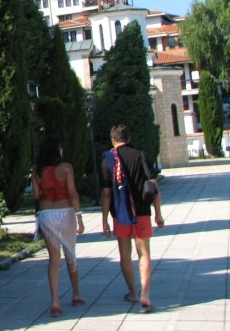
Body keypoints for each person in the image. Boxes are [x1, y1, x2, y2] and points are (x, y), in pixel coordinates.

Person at [100, 124, 165, 312]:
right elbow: (154, 187)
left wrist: (104, 219)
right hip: (142, 212)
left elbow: (106, 193)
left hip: (120, 214)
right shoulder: (141, 155)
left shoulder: (108, 160)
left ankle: (133, 293)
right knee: (144, 253)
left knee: (125, 254)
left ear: (113, 140)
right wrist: (158, 214)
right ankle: (145, 293)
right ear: (128, 139)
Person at [31, 136, 85, 317]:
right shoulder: (66, 168)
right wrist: (79, 217)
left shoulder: (36, 171)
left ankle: (55, 301)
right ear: (57, 150)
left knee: (54, 259)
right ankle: (76, 294)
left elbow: (36, 196)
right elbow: (73, 193)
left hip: (46, 213)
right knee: (70, 253)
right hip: (66, 211)